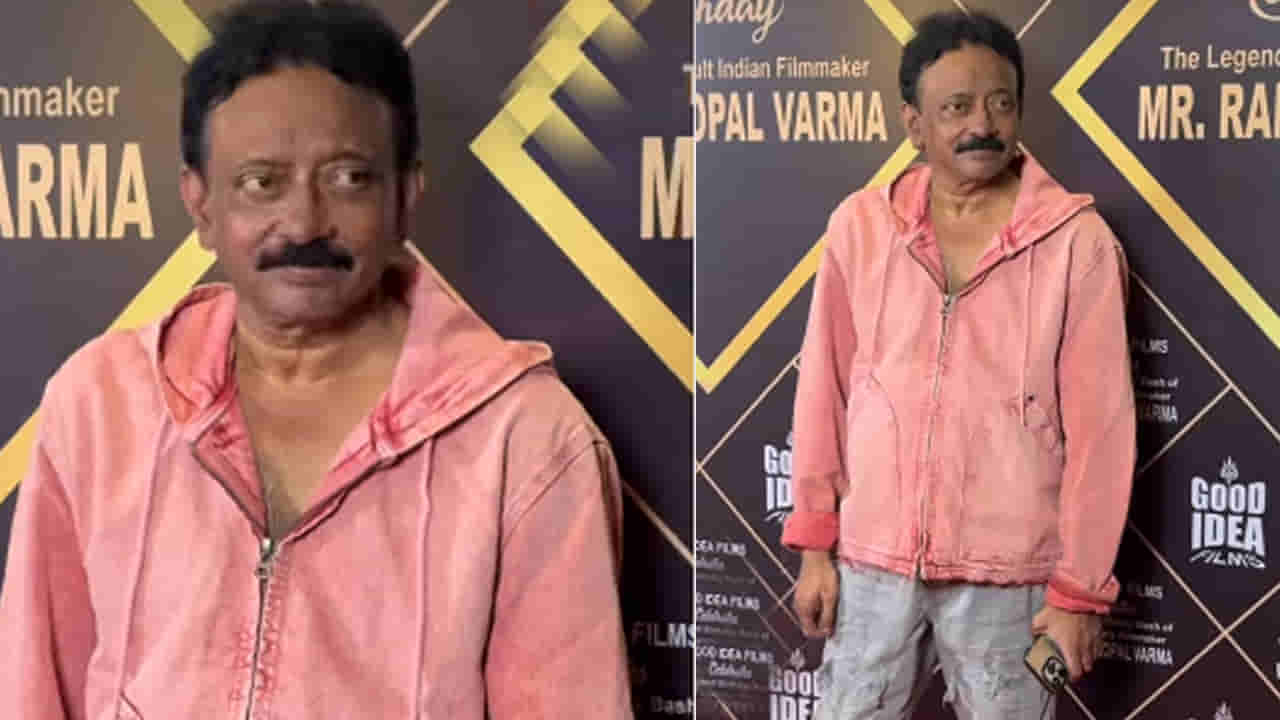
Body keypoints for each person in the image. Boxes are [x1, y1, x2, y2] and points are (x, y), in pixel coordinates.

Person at [0, 2, 633, 717]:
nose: (303, 222)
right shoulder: (100, 402)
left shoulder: (527, 439)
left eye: (348, 178)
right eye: (261, 182)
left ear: (405, 198)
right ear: (200, 204)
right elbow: (33, 692)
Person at [784, 10, 1136, 719]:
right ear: (914, 124)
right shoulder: (860, 226)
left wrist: (1078, 593)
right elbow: (824, 388)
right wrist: (815, 543)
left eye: (1001, 103)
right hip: (872, 564)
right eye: (957, 107)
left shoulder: (1078, 242)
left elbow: (1103, 432)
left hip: (1012, 577)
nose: (983, 124)